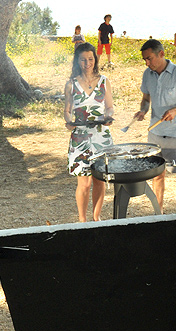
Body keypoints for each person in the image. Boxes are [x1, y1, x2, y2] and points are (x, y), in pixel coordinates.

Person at [133, 39, 176, 212]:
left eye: (149, 58)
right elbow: (146, 99)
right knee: (157, 176)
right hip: (155, 135)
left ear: (161, 54)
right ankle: (158, 213)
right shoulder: (148, 74)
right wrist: (143, 111)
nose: (147, 63)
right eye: (145, 60)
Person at [64, 42, 114, 222]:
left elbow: (109, 107)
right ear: (77, 61)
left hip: (101, 136)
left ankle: (96, 217)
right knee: (84, 183)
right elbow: (67, 110)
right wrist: (68, 122)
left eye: (90, 59)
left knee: (99, 179)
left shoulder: (104, 81)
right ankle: (82, 220)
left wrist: (109, 117)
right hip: (80, 137)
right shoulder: (71, 84)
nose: (87, 63)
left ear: (95, 59)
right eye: (83, 60)